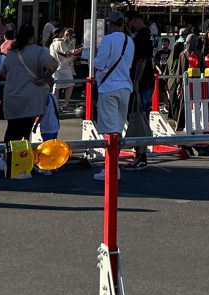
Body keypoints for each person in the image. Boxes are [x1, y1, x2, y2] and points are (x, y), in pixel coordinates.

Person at [92, 10, 135, 181]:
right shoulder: (129, 41)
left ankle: (111, 169)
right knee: (118, 128)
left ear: (110, 23)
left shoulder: (108, 40)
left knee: (110, 131)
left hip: (109, 87)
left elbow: (100, 63)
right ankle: (113, 165)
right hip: (125, 86)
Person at [2, 24, 57, 144]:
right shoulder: (39, 51)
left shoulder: (11, 54)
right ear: (32, 36)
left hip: (11, 98)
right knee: (24, 133)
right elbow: (53, 64)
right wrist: (45, 77)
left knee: (11, 131)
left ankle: (8, 159)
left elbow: (4, 73)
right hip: (30, 99)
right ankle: (20, 159)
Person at [126, 10, 155, 170]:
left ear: (136, 20)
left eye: (130, 22)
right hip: (147, 81)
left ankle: (141, 155)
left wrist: (136, 80)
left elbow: (141, 60)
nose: (129, 26)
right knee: (141, 117)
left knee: (138, 118)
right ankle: (140, 154)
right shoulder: (149, 34)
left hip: (142, 82)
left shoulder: (142, 36)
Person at [50, 28, 82, 111]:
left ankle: (54, 105)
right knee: (70, 85)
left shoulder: (52, 44)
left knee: (56, 87)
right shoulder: (60, 43)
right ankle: (65, 104)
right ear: (60, 33)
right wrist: (81, 49)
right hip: (63, 67)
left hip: (55, 67)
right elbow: (68, 53)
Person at [155, 38, 171, 109]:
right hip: (161, 73)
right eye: (163, 43)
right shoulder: (159, 53)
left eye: (166, 43)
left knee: (168, 88)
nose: (164, 44)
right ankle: (166, 103)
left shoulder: (171, 52)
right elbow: (155, 63)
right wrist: (159, 70)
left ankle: (168, 103)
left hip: (169, 73)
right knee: (163, 89)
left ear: (168, 44)